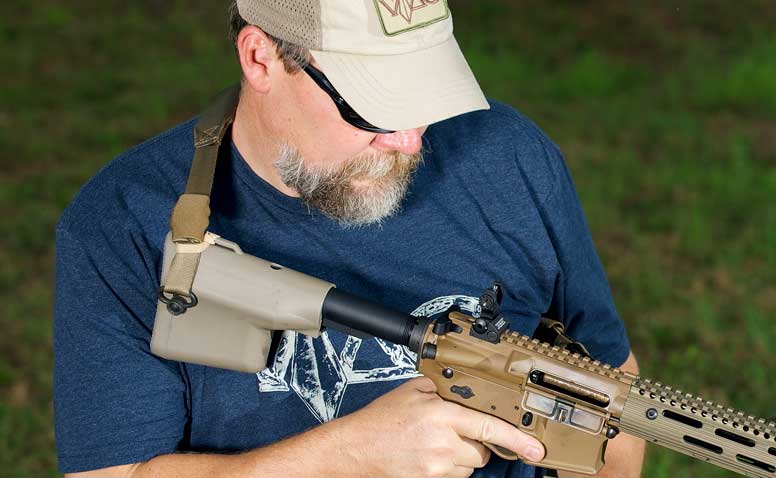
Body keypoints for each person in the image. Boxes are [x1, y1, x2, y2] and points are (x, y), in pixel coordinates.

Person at [54, 1, 645, 477]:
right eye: (374, 109)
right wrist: (347, 455)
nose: (411, 141)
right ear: (260, 58)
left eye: (424, 94)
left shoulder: (509, 157)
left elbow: (609, 388)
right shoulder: (123, 222)